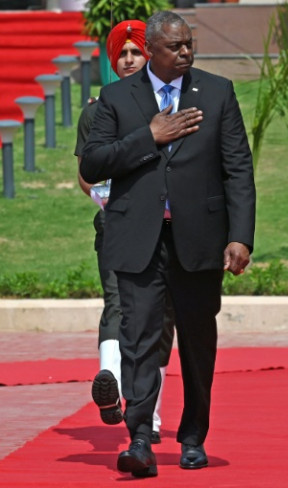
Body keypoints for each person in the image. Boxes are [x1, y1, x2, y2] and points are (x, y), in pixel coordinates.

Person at [80, 10, 256, 478]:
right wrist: (149, 137)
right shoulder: (116, 99)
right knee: (138, 340)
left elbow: (237, 168)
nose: (185, 52)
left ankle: (194, 436)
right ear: (152, 50)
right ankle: (139, 439)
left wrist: (240, 237)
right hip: (138, 240)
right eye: (175, 46)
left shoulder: (217, 93)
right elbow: (94, 163)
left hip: (198, 241)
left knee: (198, 342)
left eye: (189, 44)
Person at [74, 20, 175, 445]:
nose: (129, 59)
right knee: (119, 302)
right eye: (123, 54)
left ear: (149, 56)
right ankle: (111, 383)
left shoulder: (170, 103)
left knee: (160, 318)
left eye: (137, 52)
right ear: (113, 61)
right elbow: (86, 172)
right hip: (116, 223)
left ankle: (147, 416)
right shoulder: (98, 110)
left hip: (169, 228)